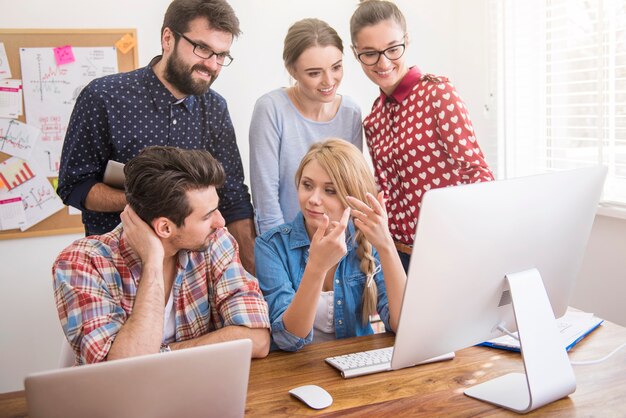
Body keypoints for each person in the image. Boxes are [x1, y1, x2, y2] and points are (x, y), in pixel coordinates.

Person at [57, 0, 257, 273]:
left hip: (195, 271)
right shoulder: (104, 97)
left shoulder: (215, 108)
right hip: (117, 266)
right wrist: (147, 200)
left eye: (221, 55)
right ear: (167, 38)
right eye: (202, 48)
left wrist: (253, 273)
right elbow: (74, 186)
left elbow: (233, 196)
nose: (211, 65)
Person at [53, 146, 271, 365]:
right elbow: (120, 371)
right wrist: (153, 263)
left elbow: (257, 338)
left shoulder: (215, 241)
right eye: (207, 216)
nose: (221, 222)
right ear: (165, 228)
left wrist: (161, 354)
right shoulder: (81, 263)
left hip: (200, 389)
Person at [350, 0, 494, 271]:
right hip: (397, 255)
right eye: (370, 53)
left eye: (393, 49)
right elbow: (384, 191)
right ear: (355, 52)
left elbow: (477, 173)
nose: (383, 63)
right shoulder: (373, 118)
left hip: (451, 248)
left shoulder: (438, 94)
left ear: (406, 40)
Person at [255, 139, 406, 352]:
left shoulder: (367, 240)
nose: (314, 199)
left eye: (330, 190)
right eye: (307, 185)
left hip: (356, 364)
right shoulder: (271, 246)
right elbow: (288, 338)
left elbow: (402, 325)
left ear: (353, 197)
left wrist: (387, 245)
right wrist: (316, 266)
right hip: (294, 371)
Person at [249, 18, 363, 235]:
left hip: (338, 242)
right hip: (286, 245)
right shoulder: (271, 109)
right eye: (314, 73)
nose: (329, 81)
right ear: (292, 70)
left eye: (336, 67)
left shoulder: (351, 112)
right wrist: (283, 257)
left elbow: (351, 192)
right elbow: (267, 202)